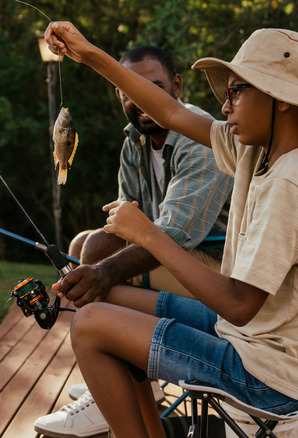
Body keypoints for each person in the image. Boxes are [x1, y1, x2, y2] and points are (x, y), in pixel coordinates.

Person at [42, 22, 298, 438]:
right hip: (252, 342)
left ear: (281, 99)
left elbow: (241, 303)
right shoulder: (257, 153)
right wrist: (90, 54)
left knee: (89, 325)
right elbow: (170, 111)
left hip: (273, 376)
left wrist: (148, 233)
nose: (225, 107)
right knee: (105, 296)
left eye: (236, 91)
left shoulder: (292, 183)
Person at [33, 46, 232, 438]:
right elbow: (121, 226)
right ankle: (116, 380)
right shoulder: (134, 143)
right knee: (81, 246)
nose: (140, 99)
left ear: (175, 86)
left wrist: (102, 273)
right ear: (119, 94)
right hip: (175, 259)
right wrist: (93, 261)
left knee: (103, 282)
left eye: (152, 86)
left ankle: (110, 385)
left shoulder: (201, 136)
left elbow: (174, 235)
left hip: (219, 271)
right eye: (129, 90)